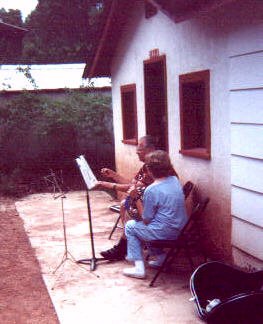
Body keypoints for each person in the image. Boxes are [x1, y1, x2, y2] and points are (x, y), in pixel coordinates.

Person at [123, 150, 187, 279]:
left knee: (130, 226)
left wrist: (136, 198)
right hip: (181, 229)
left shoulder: (152, 189)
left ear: (148, 169)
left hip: (166, 233)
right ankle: (162, 258)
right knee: (150, 225)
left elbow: (146, 219)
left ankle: (138, 268)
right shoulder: (174, 180)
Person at [95, 135, 157, 260]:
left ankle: (123, 247)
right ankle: (127, 244)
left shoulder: (154, 167)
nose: (136, 151)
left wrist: (108, 185)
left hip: (154, 211)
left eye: (140, 147)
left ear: (151, 149)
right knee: (125, 203)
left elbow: (134, 188)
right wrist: (113, 175)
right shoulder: (146, 166)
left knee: (128, 209)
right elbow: (132, 184)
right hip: (146, 204)